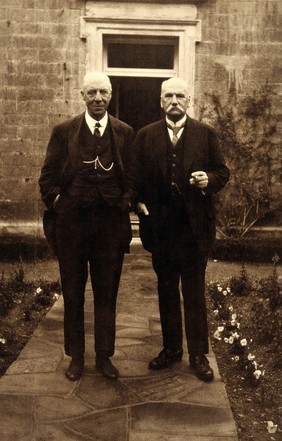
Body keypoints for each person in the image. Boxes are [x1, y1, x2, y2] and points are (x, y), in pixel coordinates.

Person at [39, 71, 136, 381]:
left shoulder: (124, 132)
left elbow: (134, 179)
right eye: (92, 92)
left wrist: (124, 202)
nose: (98, 98)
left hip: (109, 227)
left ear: (110, 96)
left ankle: (104, 357)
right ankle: (76, 358)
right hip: (72, 228)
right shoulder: (64, 131)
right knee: (74, 294)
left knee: (107, 294)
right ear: (82, 95)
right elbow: (47, 178)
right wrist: (59, 205)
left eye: (103, 92)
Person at [136, 77, 230, 381]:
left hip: (193, 230)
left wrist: (209, 181)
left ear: (188, 100)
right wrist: (138, 203)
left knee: (194, 292)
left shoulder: (205, 134)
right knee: (166, 290)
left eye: (180, 96)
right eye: (168, 96)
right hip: (161, 229)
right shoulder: (146, 136)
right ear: (161, 101)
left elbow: (222, 172)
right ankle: (171, 349)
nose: (174, 101)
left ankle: (198, 354)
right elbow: (134, 178)